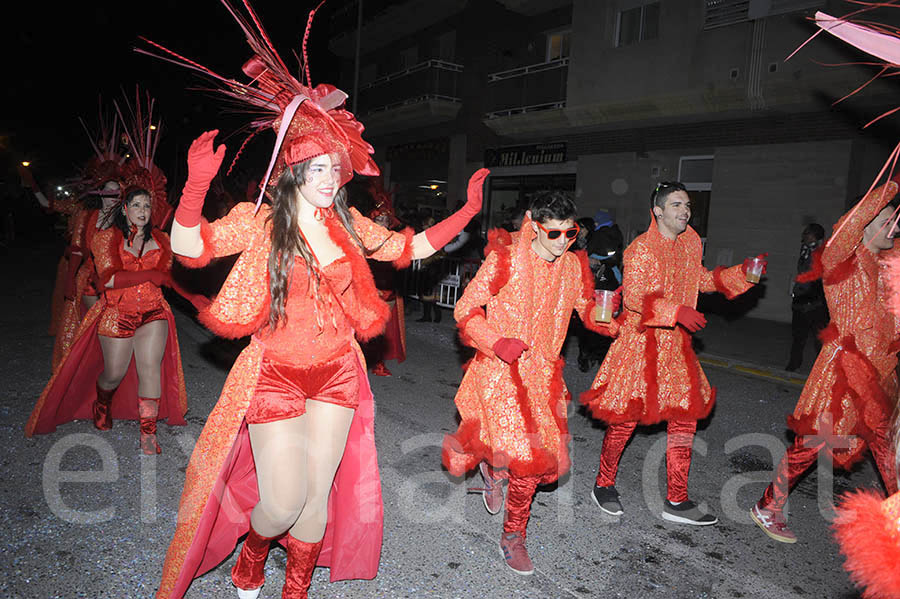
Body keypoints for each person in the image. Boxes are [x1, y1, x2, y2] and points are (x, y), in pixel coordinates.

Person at [144, 7, 487, 596]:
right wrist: (195, 185)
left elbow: (406, 247)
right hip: (274, 371)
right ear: (294, 170)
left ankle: (295, 588)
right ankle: (254, 551)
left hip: (337, 372)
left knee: (315, 497)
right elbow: (190, 248)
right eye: (320, 167)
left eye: (338, 168)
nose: (332, 178)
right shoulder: (259, 223)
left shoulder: (348, 222)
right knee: (279, 504)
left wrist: (465, 214)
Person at [443, 190, 617, 575]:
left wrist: (605, 318)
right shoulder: (505, 259)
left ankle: (501, 487)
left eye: (570, 234)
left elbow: (585, 307)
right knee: (527, 460)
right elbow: (464, 308)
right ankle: (513, 535)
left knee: (537, 464)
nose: (562, 243)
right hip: (501, 372)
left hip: (544, 377)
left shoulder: (572, 267)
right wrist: (496, 341)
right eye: (553, 234)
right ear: (532, 225)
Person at [581, 181, 765, 525]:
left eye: (688, 206)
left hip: (676, 347)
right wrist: (675, 312)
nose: (685, 212)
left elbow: (702, 280)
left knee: (686, 418)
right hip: (641, 344)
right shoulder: (640, 249)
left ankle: (676, 499)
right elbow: (635, 298)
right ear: (659, 211)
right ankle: (603, 484)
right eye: (678, 205)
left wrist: (743, 275)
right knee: (625, 420)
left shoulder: (691, 242)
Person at [749, 182, 900, 544]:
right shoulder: (842, 261)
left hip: (880, 379)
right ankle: (768, 506)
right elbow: (847, 227)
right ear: (864, 222)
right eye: (889, 220)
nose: (896, 227)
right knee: (810, 447)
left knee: (889, 451)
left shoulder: (888, 268)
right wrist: (892, 184)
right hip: (843, 378)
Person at [785, 223, 828, 372]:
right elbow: (802, 272)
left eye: (807, 234)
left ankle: (821, 369)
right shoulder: (804, 251)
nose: (804, 237)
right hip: (801, 299)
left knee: (819, 339)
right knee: (798, 336)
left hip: (816, 302)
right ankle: (793, 364)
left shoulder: (823, 252)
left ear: (815, 236)